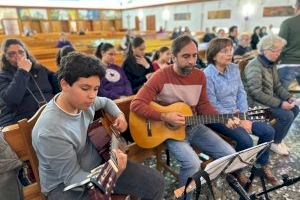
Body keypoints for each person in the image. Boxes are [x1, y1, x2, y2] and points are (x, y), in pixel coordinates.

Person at [32, 52, 165, 200]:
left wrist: (119, 115)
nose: (92, 96)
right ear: (64, 84)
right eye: (85, 88)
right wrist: (112, 171)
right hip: (66, 187)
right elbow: (72, 178)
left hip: (100, 164)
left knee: (156, 182)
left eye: (95, 89)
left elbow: (106, 102)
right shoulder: (50, 131)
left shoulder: (84, 102)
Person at [130, 35, 237, 199]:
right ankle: (184, 196)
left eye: (194, 56)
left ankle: (202, 182)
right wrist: (165, 116)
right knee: (193, 163)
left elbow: (203, 105)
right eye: (186, 56)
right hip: (168, 131)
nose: (192, 61)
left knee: (228, 154)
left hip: (193, 125)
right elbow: (136, 104)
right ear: (173, 57)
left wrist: (224, 118)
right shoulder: (161, 76)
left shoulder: (199, 76)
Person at [204, 38, 277, 184]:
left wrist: (244, 116)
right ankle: (235, 171)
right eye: (224, 51)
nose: (229, 54)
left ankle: (261, 165)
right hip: (218, 117)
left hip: (239, 112)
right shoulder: (207, 74)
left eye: (230, 50)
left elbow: (241, 93)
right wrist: (234, 117)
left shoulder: (234, 68)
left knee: (268, 131)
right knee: (246, 140)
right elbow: (212, 104)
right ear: (213, 55)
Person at [243, 34, 299, 156]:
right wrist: (280, 103)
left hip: (265, 102)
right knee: (287, 115)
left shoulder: (270, 64)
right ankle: (275, 142)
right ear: (265, 49)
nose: (278, 54)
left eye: (279, 51)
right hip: (254, 107)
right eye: (275, 51)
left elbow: (277, 86)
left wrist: (289, 97)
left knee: (295, 108)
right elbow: (256, 93)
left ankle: (277, 138)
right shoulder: (254, 66)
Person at [0, 39, 57, 128]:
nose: (18, 56)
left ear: (26, 54)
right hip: (20, 122)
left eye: (21, 52)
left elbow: (59, 83)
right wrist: (22, 71)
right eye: (12, 54)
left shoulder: (39, 69)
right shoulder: (3, 76)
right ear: (5, 57)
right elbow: (12, 100)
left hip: (50, 116)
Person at [277, 0, 300, 88]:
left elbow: (279, 45)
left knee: (281, 95)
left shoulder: (288, 23)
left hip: (288, 62)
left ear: (296, 7)